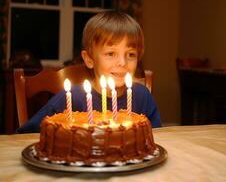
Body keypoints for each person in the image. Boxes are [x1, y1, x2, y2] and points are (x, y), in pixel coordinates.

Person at [17, 11, 161, 133]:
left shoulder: (143, 97)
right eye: (111, 53)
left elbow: (157, 138)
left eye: (131, 54)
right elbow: (24, 136)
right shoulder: (71, 98)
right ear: (89, 59)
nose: (122, 63)